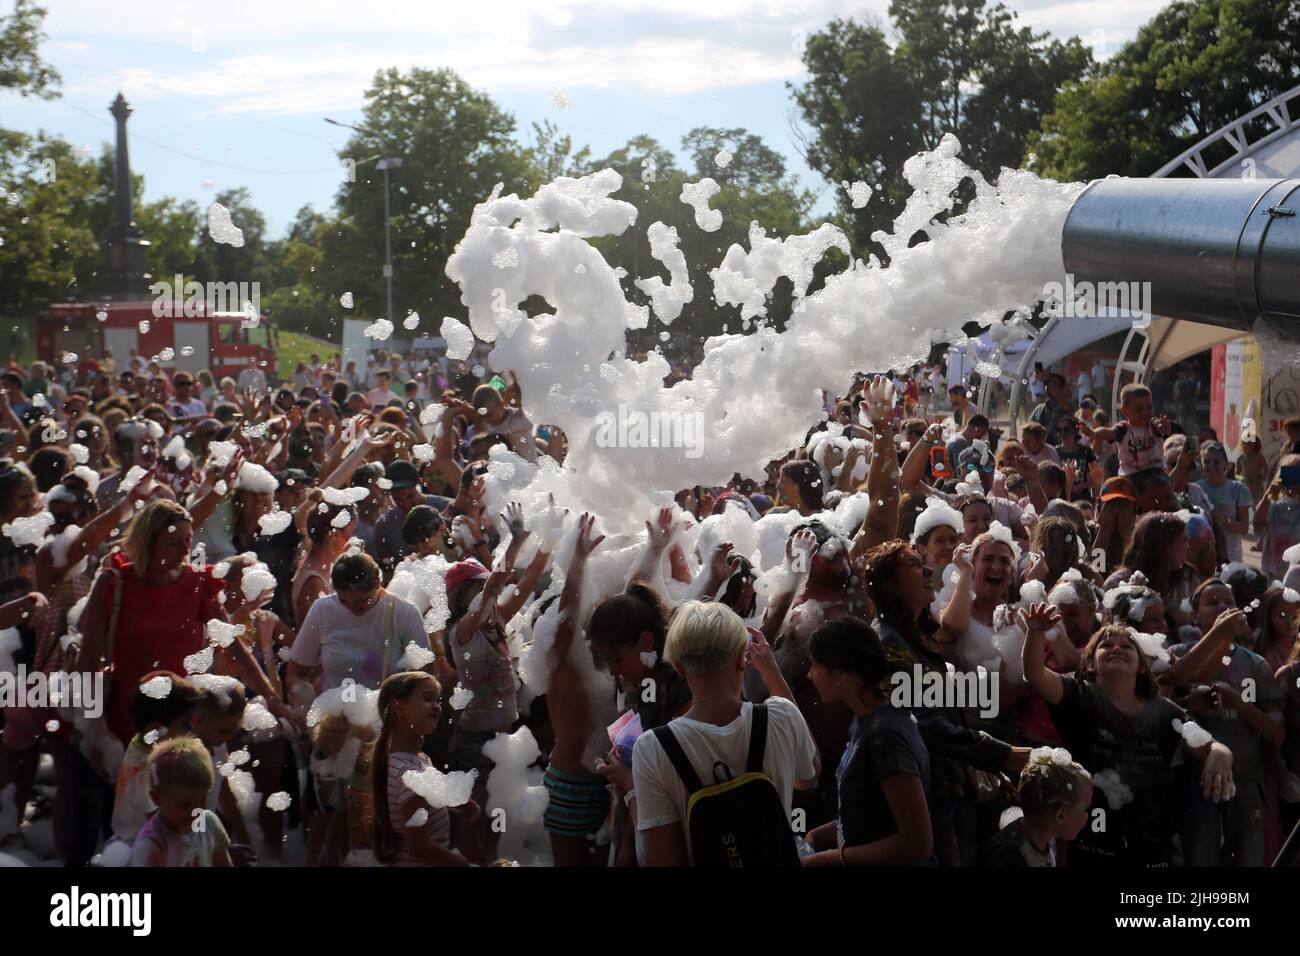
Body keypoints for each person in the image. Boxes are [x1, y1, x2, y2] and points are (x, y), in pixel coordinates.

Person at [1022, 609, 1236, 867]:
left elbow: (1210, 745)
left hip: (1150, 844)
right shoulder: (1078, 695)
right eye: (1106, 645)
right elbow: (1035, 674)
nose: (1116, 649)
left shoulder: (1164, 711)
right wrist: (1035, 632)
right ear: (1090, 663)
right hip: (1090, 838)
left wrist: (1220, 754)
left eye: (1126, 646)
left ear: (1141, 667)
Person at [631, 601, 820, 866]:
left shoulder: (653, 748)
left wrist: (628, 796)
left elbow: (663, 859)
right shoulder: (782, 717)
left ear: (679, 666)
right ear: (741, 659)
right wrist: (772, 673)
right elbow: (808, 776)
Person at [802, 618, 933, 866]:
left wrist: (832, 859)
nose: (809, 675)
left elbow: (918, 844)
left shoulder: (885, 736)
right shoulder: (865, 720)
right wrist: (817, 836)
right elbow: (869, 811)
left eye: (815, 666)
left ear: (841, 674)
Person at [287, 552, 431, 693]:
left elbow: (425, 677)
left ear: (378, 584)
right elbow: (296, 673)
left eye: (362, 601)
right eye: (343, 601)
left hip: (385, 712)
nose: (352, 608)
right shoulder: (322, 610)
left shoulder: (405, 613)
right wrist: (303, 701)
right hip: (335, 710)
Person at [369, 672, 470, 866]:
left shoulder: (416, 759)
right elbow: (418, 846)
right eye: (427, 698)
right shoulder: (410, 775)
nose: (436, 706)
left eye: (438, 700)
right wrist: (461, 863)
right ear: (399, 707)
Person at [978, 747, 1092, 867]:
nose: (1087, 816)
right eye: (1085, 808)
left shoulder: (1047, 840)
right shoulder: (1008, 857)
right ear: (1060, 815)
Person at [129, 736, 232, 867]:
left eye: (203, 799)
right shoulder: (150, 847)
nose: (197, 811)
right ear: (156, 798)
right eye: (184, 805)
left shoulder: (209, 824)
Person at [1084, 383, 1170, 477]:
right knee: (1110, 486)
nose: (1145, 412)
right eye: (1139, 409)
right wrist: (1093, 433)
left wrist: (1163, 427)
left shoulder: (1153, 425)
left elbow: (1160, 428)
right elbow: (1107, 432)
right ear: (1124, 410)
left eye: (1149, 408)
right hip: (1130, 476)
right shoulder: (1123, 429)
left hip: (1155, 473)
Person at [1195, 441, 1252, 562]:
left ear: (1226, 464)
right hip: (1201, 557)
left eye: (1216, 462)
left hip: (1231, 556)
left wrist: (1221, 520)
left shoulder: (1239, 489)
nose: (1211, 466)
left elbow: (1244, 528)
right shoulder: (1195, 489)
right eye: (1206, 462)